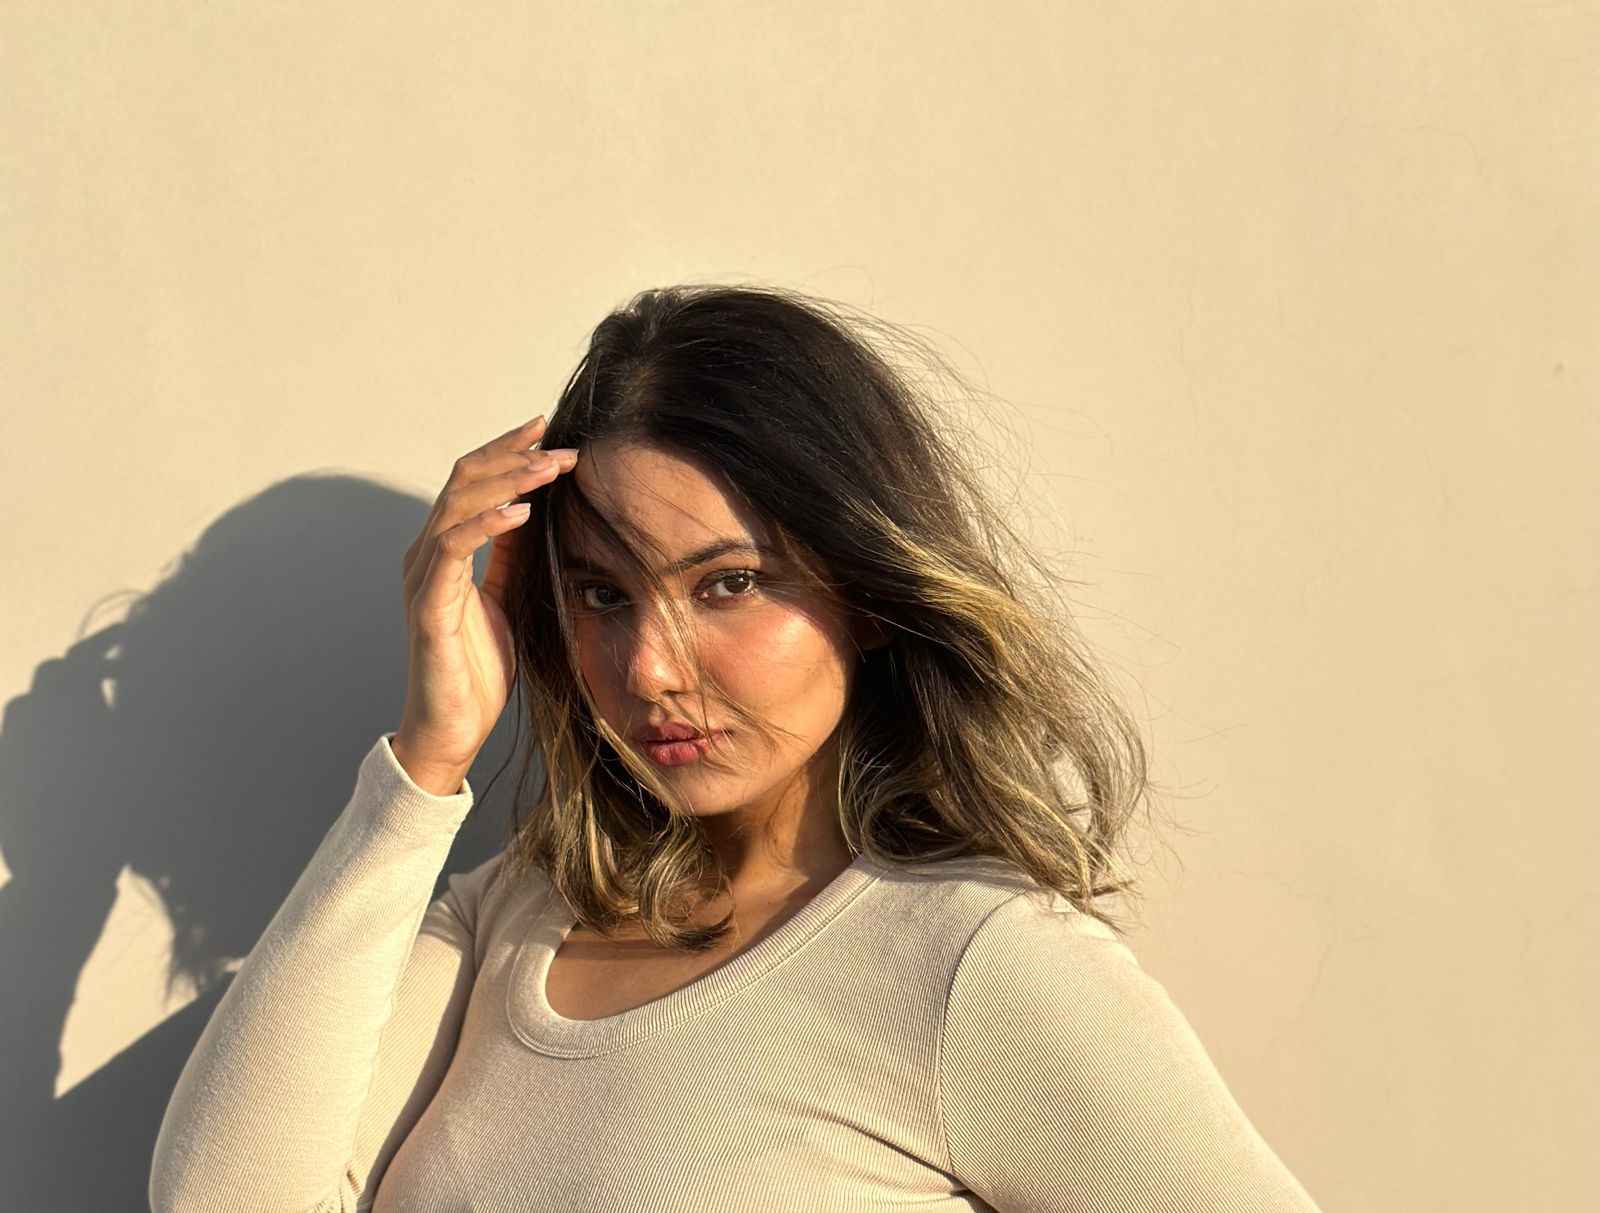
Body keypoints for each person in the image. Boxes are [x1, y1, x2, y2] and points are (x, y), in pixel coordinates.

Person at [149, 285, 1322, 1211]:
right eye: (602, 595)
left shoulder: (969, 961)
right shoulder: (514, 912)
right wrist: (428, 760)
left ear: (866, 589)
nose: (651, 668)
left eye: (728, 583)